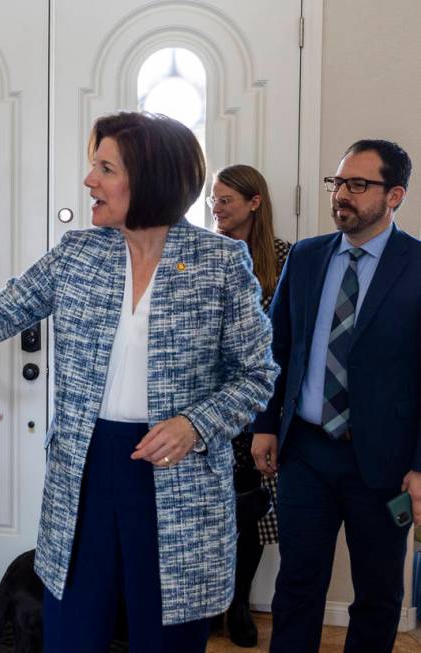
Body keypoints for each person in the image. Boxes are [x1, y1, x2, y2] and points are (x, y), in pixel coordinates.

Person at [0, 112, 278, 653]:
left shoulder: (220, 262)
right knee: (74, 631)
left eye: (105, 167)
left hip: (178, 476)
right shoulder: (77, 255)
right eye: (92, 165)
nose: (88, 180)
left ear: (151, 178)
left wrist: (196, 425)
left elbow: (257, 373)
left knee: (166, 637)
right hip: (86, 469)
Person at [252, 139, 421, 653]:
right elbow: (276, 346)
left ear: (394, 195)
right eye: (338, 182)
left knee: (377, 594)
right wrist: (264, 421)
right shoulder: (305, 257)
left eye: (357, 184)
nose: (341, 194)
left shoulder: (417, 265)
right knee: (297, 586)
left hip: (385, 465)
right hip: (305, 453)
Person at [209, 164, 292, 647]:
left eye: (226, 201)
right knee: (213, 509)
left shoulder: (284, 259)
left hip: (260, 406)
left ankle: (239, 603)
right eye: (213, 201)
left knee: (253, 513)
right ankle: (207, 602)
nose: (217, 209)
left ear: (254, 202)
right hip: (211, 405)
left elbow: (286, 341)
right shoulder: (203, 255)